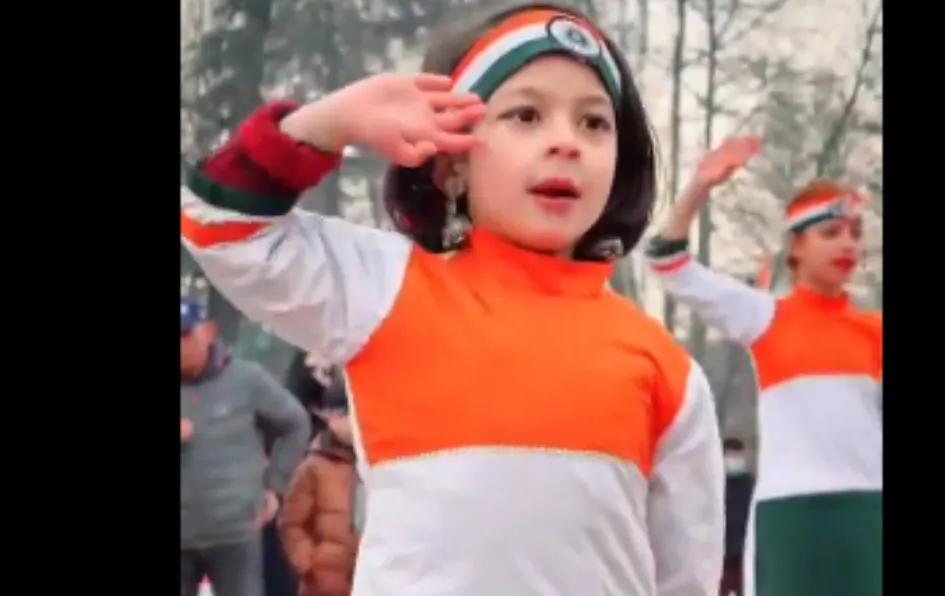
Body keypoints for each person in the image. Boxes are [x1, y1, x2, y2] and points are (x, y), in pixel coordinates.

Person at [177, 3, 725, 595]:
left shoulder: (667, 369)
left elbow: (686, 577)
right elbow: (217, 225)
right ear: (452, 164)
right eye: (526, 115)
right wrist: (331, 121)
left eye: (594, 122)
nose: (566, 142)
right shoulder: (384, 290)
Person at [644, 137, 882, 596]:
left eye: (855, 233)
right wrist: (698, 189)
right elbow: (667, 263)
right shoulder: (764, 316)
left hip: (867, 510)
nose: (847, 244)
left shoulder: (874, 331)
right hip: (789, 515)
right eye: (831, 233)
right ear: (796, 246)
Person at [181, 299, 312, 596]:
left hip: (235, 531)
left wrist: (275, 485)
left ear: (208, 332)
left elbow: (295, 423)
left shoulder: (246, 379)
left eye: (185, 335)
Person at [279, 380, 362, 596]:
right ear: (329, 418)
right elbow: (292, 523)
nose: (352, 421)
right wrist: (308, 564)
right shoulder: (314, 467)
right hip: (323, 584)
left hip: (370, 580)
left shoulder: (379, 466)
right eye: (344, 414)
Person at [720, 439, 755, 596]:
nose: (735, 460)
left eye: (738, 455)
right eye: (731, 455)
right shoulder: (717, 485)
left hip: (744, 552)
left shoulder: (751, 484)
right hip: (722, 554)